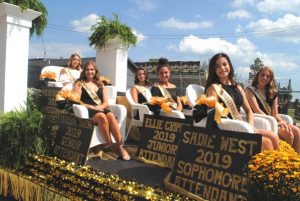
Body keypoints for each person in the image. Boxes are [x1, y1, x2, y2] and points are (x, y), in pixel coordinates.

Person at [205, 53, 279, 151]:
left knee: (273, 137)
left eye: (224, 64)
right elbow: (214, 114)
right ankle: (266, 165)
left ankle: (277, 164)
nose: (222, 68)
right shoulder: (213, 88)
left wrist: (251, 126)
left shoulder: (238, 87)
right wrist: (241, 126)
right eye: (217, 66)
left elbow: (248, 110)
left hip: (242, 126)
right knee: (266, 142)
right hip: (226, 128)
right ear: (213, 70)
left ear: (229, 65)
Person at [72, 60, 130, 160]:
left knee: (111, 115)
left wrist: (100, 107)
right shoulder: (79, 83)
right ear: (84, 71)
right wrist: (89, 106)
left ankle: (120, 146)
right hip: (88, 109)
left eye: (92, 69)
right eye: (87, 69)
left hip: (100, 108)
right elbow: (76, 100)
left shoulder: (100, 84)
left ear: (95, 70)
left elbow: (106, 102)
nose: (90, 72)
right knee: (102, 116)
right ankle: (110, 144)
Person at [245, 66, 300, 154]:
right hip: (261, 121)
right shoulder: (250, 90)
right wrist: (275, 122)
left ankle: (296, 161)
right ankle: (284, 160)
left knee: (296, 131)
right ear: (258, 76)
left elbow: (275, 113)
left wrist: (283, 122)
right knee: (289, 134)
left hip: (272, 120)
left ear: (271, 78)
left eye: (268, 76)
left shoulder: (273, 93)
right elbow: (257, 110)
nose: (265, 78)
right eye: (262, 75)